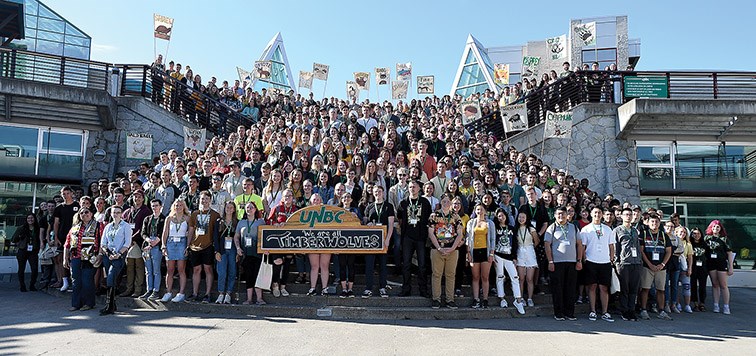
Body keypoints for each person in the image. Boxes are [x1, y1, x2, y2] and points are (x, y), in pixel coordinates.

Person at [544, 207, 583, 321]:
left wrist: (579, 260)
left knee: (570, 288)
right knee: (557, 288)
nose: (561, 216)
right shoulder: (551, 228)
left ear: (567, 215)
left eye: (563, 214)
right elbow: (547, 245)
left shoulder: (574, 227)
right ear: (555, 215)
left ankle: (569, 312)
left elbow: (579, 244)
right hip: (557, 263)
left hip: (571, 262)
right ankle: (559, 313)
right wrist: (550, 261)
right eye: (559, 214)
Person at [427, 194, 464, 309]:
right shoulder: (434, 215)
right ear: (440, 202)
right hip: (437, 249)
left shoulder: (456, 216)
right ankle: (436, 299)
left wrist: (453, 248)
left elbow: (460, 234)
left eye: (448, 202)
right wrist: (438, 247)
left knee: (450, 275)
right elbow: (430, 232)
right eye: (444, 201)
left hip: (452, 250)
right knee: (436, 275)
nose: (446, 204)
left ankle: (450, 299)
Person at [580, 207, 615, 322]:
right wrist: (583, 259)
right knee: (592, 287)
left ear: (602, 215)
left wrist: (611, 259)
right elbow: (582, 246)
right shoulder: (586, 229)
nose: (597, 214)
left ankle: (605, 312)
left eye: (599, 213)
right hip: (591, 261)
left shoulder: (608, 229)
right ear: (591, 214)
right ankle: (593, 311)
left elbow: (611, 246)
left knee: (604, 288)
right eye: (595, 212)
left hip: (605, 262)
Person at [397, 180, 432, 297]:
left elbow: (429, 218)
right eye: (410, 187)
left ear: (419, 189)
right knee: (406, 264)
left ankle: (423, 290)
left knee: (422, 265)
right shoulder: (403, 203)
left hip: (420, 237)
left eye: (414, 187)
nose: (412, 189)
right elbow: (400, 219)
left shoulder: (424, 202)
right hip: (407, 237)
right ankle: (406, 289)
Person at [63, 208, 102, 311]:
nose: (84, 214)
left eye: (86, 212)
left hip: (90, 257)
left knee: (87, 281)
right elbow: (67, 244)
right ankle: (76, 304)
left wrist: (100, 255)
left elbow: (102, 241)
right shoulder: (74, 228)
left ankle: (88, 303)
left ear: (91, 214)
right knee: (76, 281)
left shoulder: (98, 225)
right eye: (81, 213)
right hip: (75, 257)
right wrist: (65, 258)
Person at [187, 191, 221, 303]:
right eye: (202, 199)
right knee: (196, 270)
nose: (204, 201)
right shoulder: (195, 214)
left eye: (206, 199)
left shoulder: (215, 215)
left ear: (210, 200)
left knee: (208, 269)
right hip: (195, 246)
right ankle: (194, 293)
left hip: (208, 246)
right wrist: (188, 245)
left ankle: (207, 294)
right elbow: (191, 230)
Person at [639, 213, 673, 320]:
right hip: (647, 266)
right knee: (645, 288)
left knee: (661, 290)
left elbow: (668, 251)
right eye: (652, 221)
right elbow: (641, 251)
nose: (654, 224)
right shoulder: (643, 234)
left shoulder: (664, 235)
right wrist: (649, 264)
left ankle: (661, 311)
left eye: (656, 222)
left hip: (661, 267)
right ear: (648, 223)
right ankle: (643, 310)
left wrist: (662, 264)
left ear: (659, 223)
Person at [362, 185, 394, 298]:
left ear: (383, 193)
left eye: (379, 191)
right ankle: (368, 288)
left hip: (384, 240)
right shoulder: (369, 207)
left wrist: (388, 239)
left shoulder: (388, 206)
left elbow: (391, 225)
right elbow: (364, 223)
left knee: (382, 265)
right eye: (375, 192)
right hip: (371, 242)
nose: (377, 193)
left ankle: (382, 287)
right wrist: (367, 224)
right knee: (369, 265)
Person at [99, 205, 132, 315]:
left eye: (118, 212)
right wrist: (108, 253)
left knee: (111, 276)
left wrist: (118, 254)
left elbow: (127, 243)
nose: (116, 214)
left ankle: (109, 305)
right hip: (108, 255)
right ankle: (112, 304)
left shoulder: (125, 226)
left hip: (119, 256)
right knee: (110, 278)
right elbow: (103, 243)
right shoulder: (108, 226)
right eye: (114, 212)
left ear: (121, 214)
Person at [492, 208, 526, 314]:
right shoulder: (495, 228)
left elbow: (515, 243)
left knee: (515, 276)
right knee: (500, 276)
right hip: (498, 255)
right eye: (499, 216)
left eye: (503, 215)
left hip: (509, 256)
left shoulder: (511, 228)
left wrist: (514, 257)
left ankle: (518, 300)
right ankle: (502, 298)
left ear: (506, 216)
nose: (501, 218)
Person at [612, 207, 642, 321]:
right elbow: (616, 247)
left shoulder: (634, 230)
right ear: (622, 216)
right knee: (625, 289)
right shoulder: (617, 230)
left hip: (636, 262)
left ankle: (631, 310)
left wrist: (639, 261)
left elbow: (638, 247)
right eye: (626, 214)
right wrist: (617, 262)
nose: (629, 216)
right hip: (624, 263)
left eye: (630, 214)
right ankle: (624, 311)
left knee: (634, 289)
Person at [120, 190, 150, 298]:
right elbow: (123, 225)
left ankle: (137, 289)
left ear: (143, 198)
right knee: (129, 267)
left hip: (138, 241)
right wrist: (126, 239)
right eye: (135, 197)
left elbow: (143, 227)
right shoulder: (128, 211)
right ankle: (129, 289)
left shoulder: (146, 211)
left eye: (139, 197)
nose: (137, 199)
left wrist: (133, 238)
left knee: (139, 267)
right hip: (127, 243)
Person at [267, 189, 297, 298]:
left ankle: (283, 286)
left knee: (287, 262)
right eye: (285, 196)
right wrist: (275, 223)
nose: (288, 198)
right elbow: (268, 221)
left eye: (290, 196)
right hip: (277, 241)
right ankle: (275, 284)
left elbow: (301, 224)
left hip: (290, 241)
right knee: (278, 261)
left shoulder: (296, 210)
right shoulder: (276, 208)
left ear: (293, 197)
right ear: (282, 198)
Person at [236, 202, 267, 304]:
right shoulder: (241, 222)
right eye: (247, 207)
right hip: (246, 253)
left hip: (258, 253)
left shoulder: (261, 222)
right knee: (248, 275)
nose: (249, 209)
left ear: (255, 209)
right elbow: (236, 237)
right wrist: (238, 248)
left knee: (258, 275)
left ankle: (259, 298)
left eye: (252, 207)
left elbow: (265, 236)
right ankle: (249, 299)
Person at [465, 204, 495, 308]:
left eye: (481, 209)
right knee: (475, 277)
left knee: (485, 277)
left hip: (485, 251)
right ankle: (476, 299)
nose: (480, 211)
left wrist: (491, 253)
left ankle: (485, 299)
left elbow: (492, 239)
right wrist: (468, 252)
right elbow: (468, 238)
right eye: (477, 209)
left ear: (485, 211)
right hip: (474, 251)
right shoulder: (471, 223)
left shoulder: (490, 223)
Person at [160, 199, 190, 303]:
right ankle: (168, 292)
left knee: (181, 269)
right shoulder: (169, 218)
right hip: (171, 243)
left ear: (184, 206)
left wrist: (188, 246)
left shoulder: (187, 218)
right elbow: (165, 233)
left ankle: (181, 293)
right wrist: (163, 246)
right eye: (177, 205)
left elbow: (190, 232)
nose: (179, 207)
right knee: (170, 269)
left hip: (182, 243)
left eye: (181, 205)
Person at [52, 186, 81, 292]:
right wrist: (55, 237)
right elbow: (56, 223)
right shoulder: (59, 208)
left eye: (67, 193)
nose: (65, 195)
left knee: (74, 259)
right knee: (61, 259)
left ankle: (75, 282)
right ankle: (64, 282)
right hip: (62, 236)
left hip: (75, 236)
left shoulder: (78, 205)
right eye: (63, 194)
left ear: (72, 193)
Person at [705, 220, 734, 315]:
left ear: (720, 228)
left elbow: (729, 253)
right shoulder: (707, 238)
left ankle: (726, 306)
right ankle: (716, 305)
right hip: (711, 264)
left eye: (717, 227)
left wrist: (731, 266)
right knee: (715, 284)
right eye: (713, 227)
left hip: (721, 264)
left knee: (723, 285)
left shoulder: (724, 239)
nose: (715, 229)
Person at [213, 201, 240, 304]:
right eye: (227, 207)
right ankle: (221, 293)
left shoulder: (237, 222)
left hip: (233, 249)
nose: (229, 209)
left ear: (234, 209)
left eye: (231, 207)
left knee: (232, 271)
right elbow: (215, 237)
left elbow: (239, 238)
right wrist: (216, 251)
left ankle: (228, 293)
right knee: (222, 272)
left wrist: (238, 252)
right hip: (222, 249)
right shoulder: (219, 221)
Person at [140, 199, 165, 300]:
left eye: (156, 205)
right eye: (153, 206)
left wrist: (155, 242)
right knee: (148, 271)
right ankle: (149, 289)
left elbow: (162, 232)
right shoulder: (147, 219)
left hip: (157, 247)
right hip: (147, 246)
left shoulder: (164, 219)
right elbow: (143, 232)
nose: (154, 208)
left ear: (160, 206)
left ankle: (156, 290)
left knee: (156, 270)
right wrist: (148, 240)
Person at [12, 213, 43, 292]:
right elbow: (13, 239)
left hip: (33, 251)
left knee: (34, 269)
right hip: (23, 250)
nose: (30, 220)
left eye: (32, 218)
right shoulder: (21, 228)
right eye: (28, 218)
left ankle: (32, 285)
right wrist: (19, 237)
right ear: (26, 219)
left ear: (34, 219)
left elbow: (40, 239)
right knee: (21, 269)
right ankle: (22, 286)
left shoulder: (37, 228)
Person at [515, 212, 539, 307]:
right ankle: (520, 298)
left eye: (523, 217)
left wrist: (530, 247)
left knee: (529, 279)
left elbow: (536, 241)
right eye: (520, 217)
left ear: (526, 218)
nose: (521, 219)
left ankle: (529, 298)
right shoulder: (515, 229)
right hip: (520, 252)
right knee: (521, 279)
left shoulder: (531, 228)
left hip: (529, 252)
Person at [689, 228, 709, 311]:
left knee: (702, 286)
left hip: (703, 268)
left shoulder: (705, 244)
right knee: (693, 285)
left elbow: (708, 256)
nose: (696, 235)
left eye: (698, 233)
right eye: (694, 233)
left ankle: (702, 303)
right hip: (693, 267)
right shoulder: (690, 244)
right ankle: (695, 303)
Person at [676, 226, 694, 313]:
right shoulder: (673, 242)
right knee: (675, 287)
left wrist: (690, 268)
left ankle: (687, 305)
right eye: (681, 232)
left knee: (686, 287)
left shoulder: (688, 244)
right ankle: (677, 304)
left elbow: (690, 257)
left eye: (684, 232)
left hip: (684, 267)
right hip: (675, 267)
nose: (682, 234)